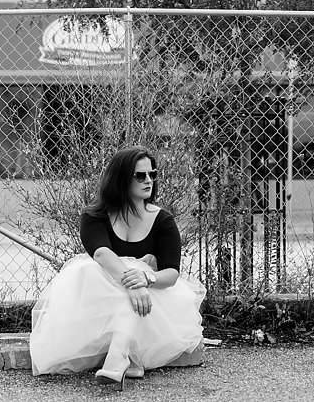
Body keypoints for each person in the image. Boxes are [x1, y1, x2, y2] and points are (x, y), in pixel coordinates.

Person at [29, 146, 205, 387]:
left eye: (152, 174)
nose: (149, 181)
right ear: (121, 178)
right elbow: (100, 253)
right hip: (100, 305)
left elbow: (172, 273)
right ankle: (128, 357)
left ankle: (117, 359)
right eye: (140, 175)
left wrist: (146, 280)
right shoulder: (95, 216)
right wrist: (133, 284)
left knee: (137, 277)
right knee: (88, 269)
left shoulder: (162, 220)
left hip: (154, 305)